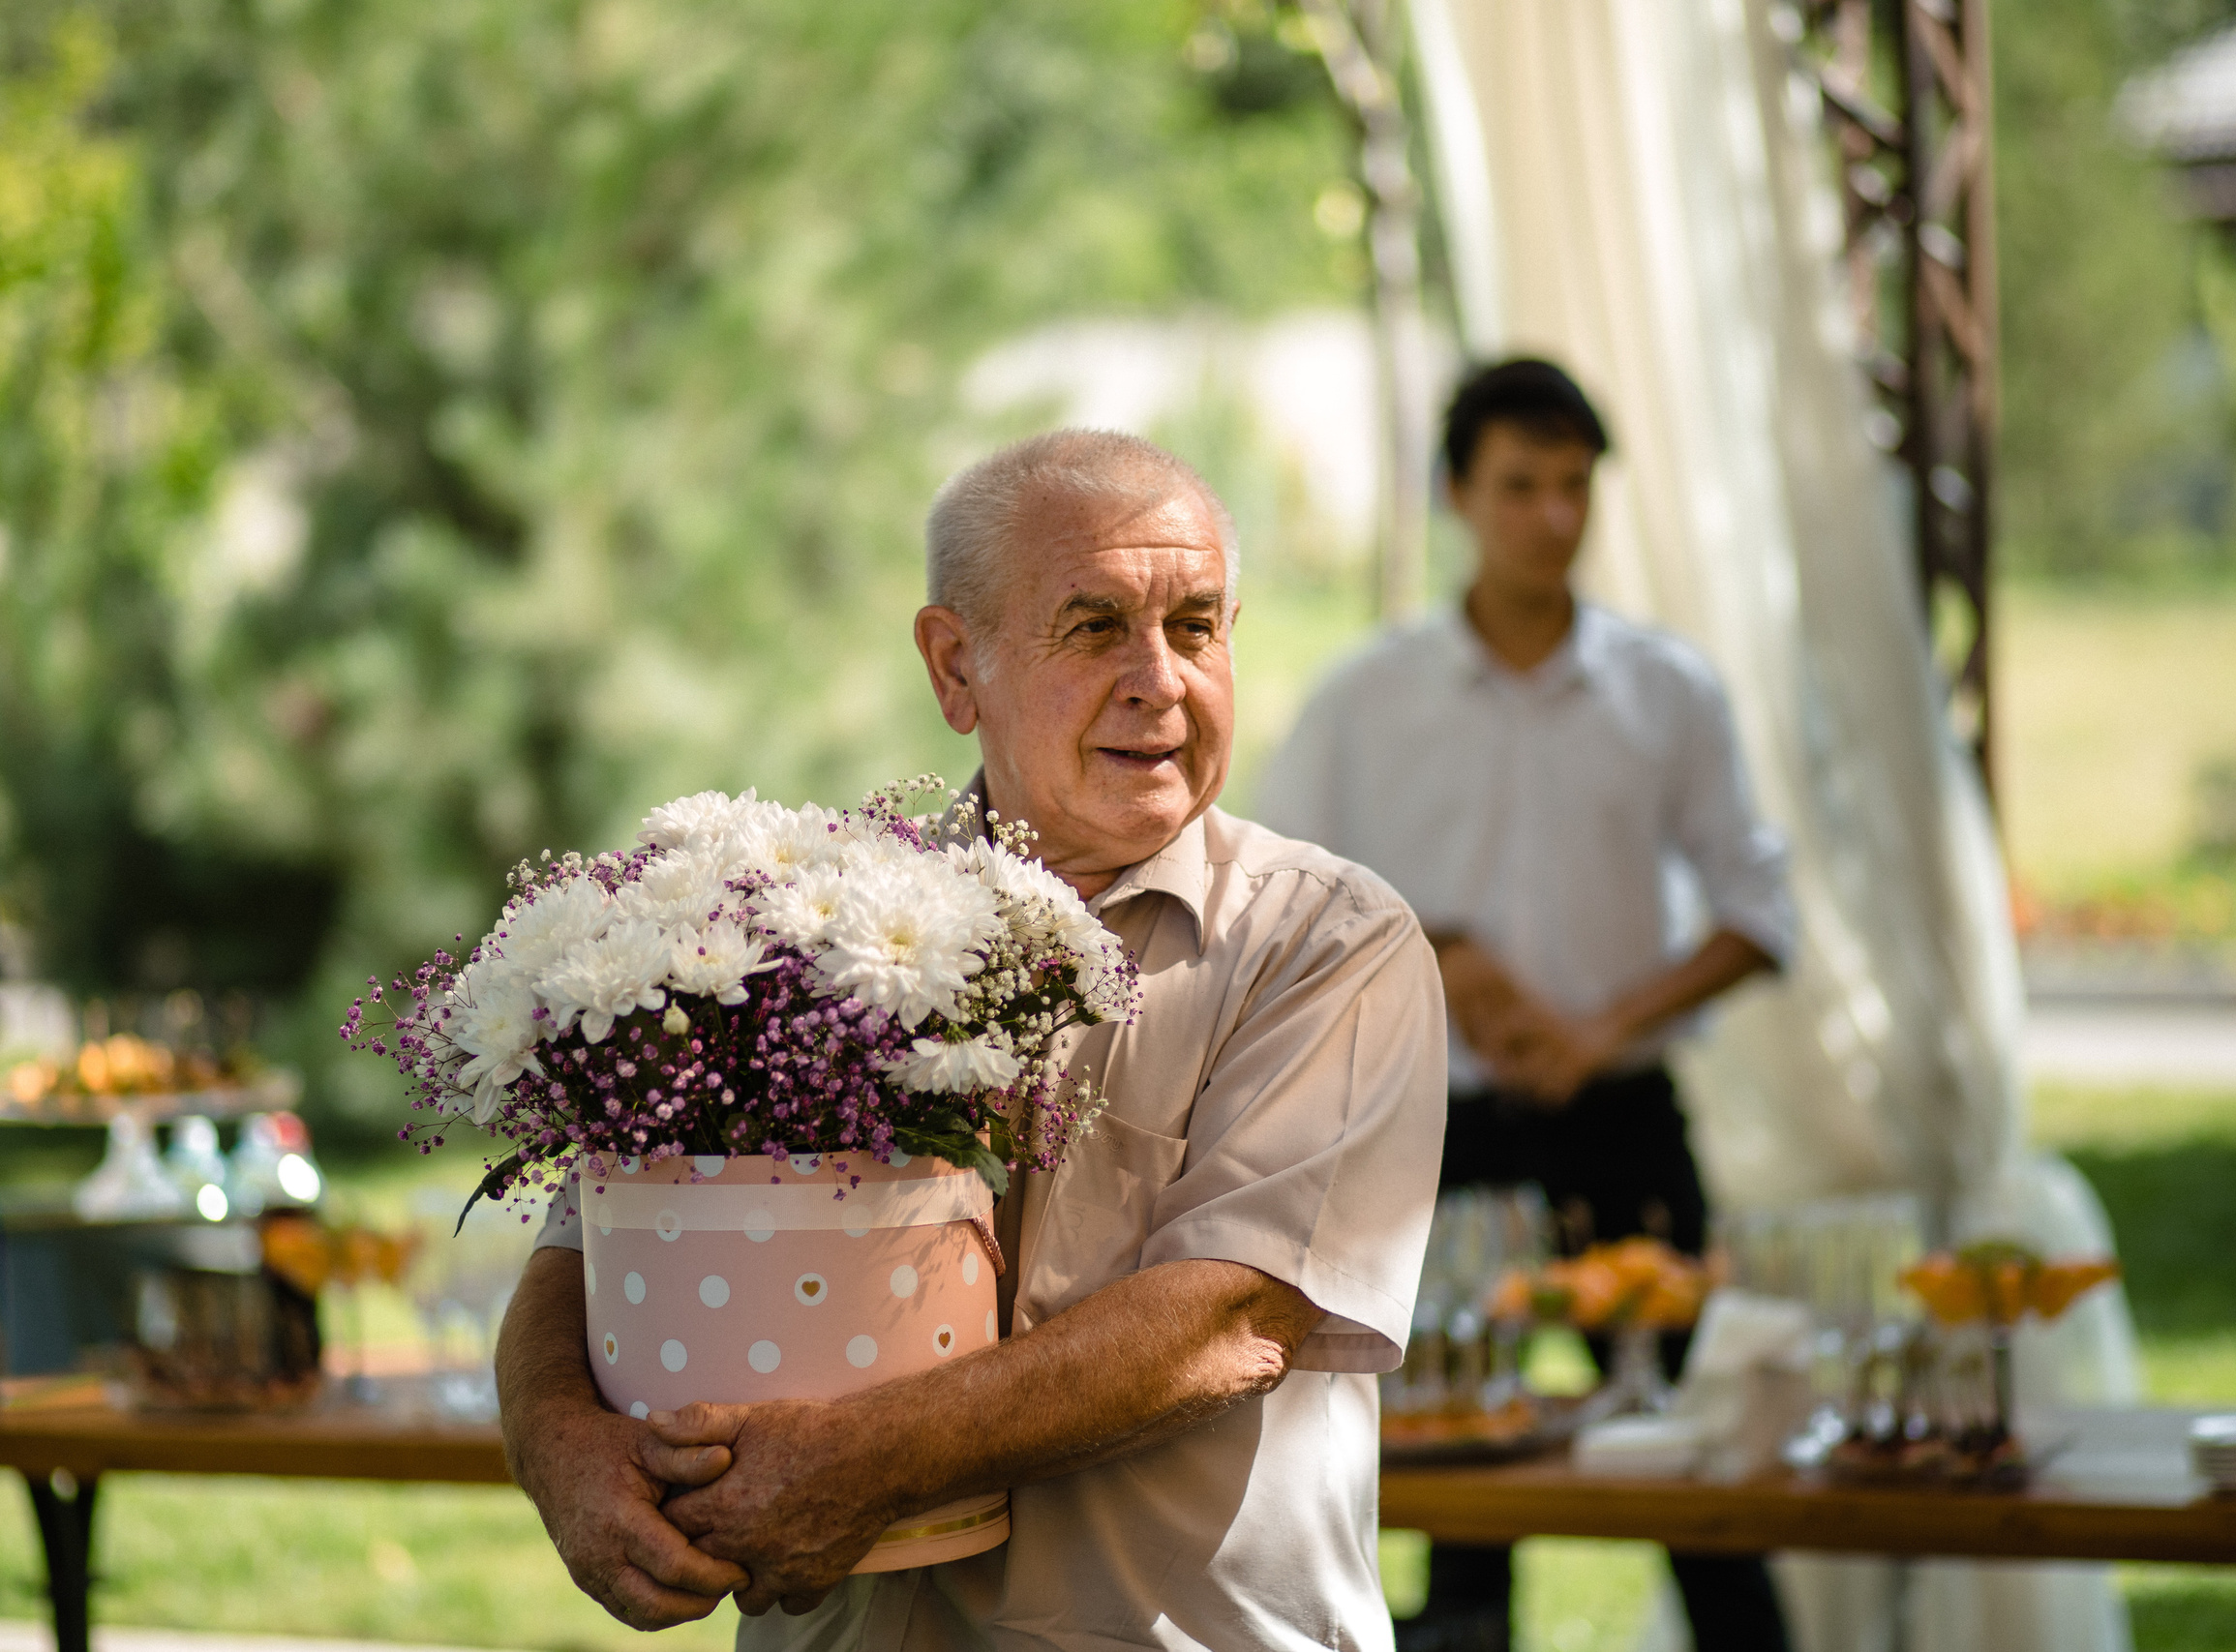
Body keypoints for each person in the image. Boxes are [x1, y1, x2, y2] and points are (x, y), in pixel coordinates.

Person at [493, 430, 1449, 1651]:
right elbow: (584, 1236)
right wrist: (564, 1449)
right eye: (1095, 627)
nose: (1160, 680)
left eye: (1198, 626)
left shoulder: (1326, 942)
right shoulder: (798, 922)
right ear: (956, 669)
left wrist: (861, 1464)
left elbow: (1229, 1320)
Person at [1254, 359, 1797, 1652]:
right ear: (1456, 493)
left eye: (1574, 486)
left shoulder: (1669, 688)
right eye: (1519, 486)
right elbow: (1272, 908)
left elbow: (1761, 908)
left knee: (1704, 1463)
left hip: (1629, 1122)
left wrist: (1609, 1025)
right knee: (1457, 1473)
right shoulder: (1361, 697)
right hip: (1440, 1141)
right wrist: (1433, 953)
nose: (1552, 516)